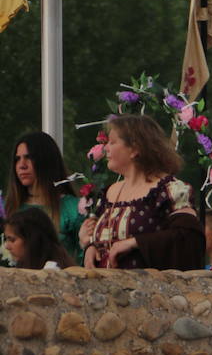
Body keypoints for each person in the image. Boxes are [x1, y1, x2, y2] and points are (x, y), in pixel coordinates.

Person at [79, 115, 204, 270]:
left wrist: (135, 243)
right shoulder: (109, 193)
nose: (106, 148)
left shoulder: (167, 190)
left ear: (135, 149)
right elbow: (102, 239)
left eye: (112, 142)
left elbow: (188, 238)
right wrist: (90, 246)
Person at [6, 131, 82, 259]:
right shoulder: (9, 208)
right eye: (17, 159)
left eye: (29, 157)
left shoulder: (74, 208)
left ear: (46, 160)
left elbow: (85, 258)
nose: (22, 165)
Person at [4, 206, 75, 269]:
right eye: (6, 239)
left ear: (33, 241)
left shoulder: (52, 270)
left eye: (12, 240)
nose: (6, 246)